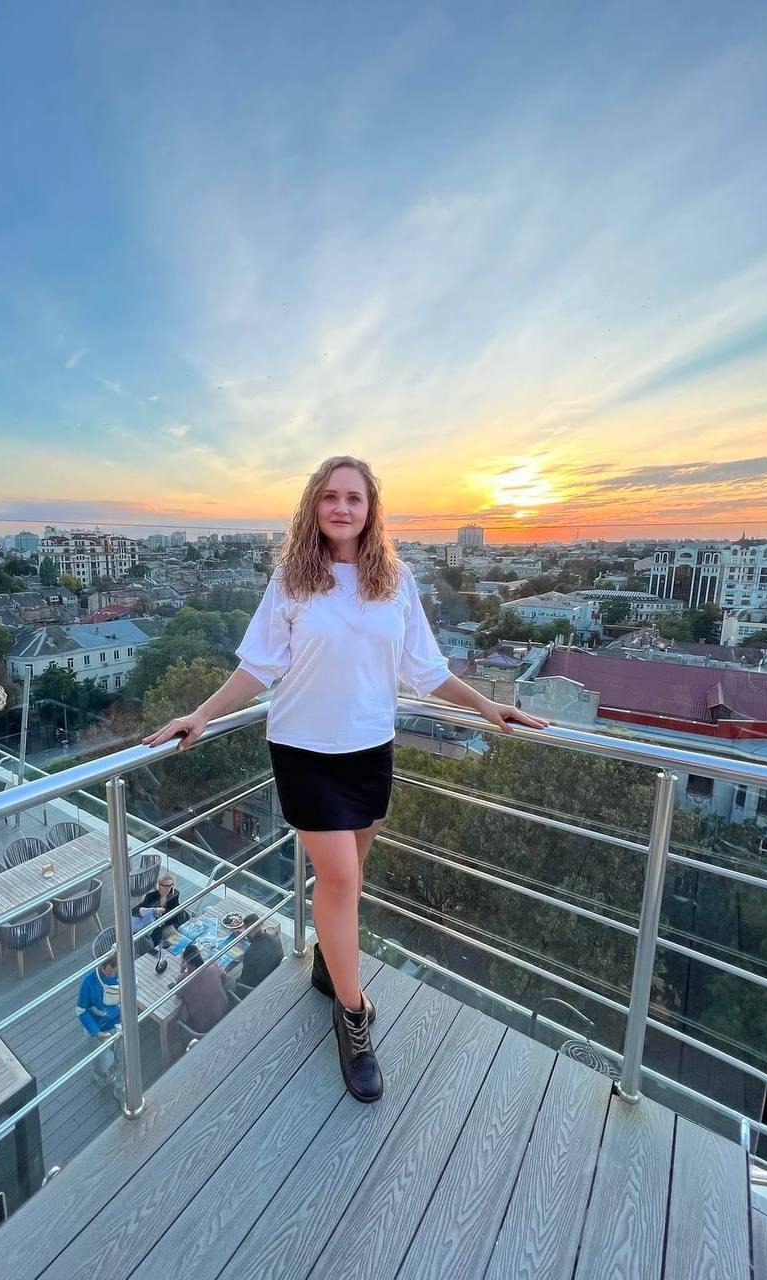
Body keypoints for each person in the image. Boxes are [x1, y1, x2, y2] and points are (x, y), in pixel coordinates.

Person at [144, 455, 548, 1104]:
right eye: (330, 496)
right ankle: (353, 1019)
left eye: (353, 498)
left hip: (370, 751)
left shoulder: (396, 580)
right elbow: (258, 667)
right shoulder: (291, 580)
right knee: (338, 878)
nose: (341, 507)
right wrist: (201, 714)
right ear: (315, 505)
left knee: (348, 878)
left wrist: (484, 707)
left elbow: (425, 668)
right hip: (304, 750)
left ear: (370, 509)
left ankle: (331, 972)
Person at [76, 956, 124, 1101]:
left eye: (116, 968)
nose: (114, 972)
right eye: (111, 968)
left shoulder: (122, 972)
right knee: (102, 1066)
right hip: (97, 1029)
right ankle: (101, 1075)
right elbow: (81, 1010)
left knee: (123, 1060)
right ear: (102, 965)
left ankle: (121, 1091)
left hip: (118, 1024)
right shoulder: (88, 981)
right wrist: (96, 1032)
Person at [176, 943, 230, 1036]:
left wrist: (181, 971)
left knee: (180, 1014)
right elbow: (225, 979)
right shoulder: (213, 966)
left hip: (204, 1029)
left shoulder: (184, 980)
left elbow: (178, 994)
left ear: (186, 963)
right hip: (225, 1014)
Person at [135, 872, 188, 940]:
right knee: (159, 933)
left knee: (171, 932)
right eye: (166, 886)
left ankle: (177, 942)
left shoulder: (174, 894)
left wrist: (163, 910)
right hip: (156, 922)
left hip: (169, 919)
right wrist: (153, 911)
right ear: (160, 885)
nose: (168, 888)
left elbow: (175, 910)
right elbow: (140, 909)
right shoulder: (151, 896)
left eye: (170, 885)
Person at [238, 914, 284, 991]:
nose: (245, 933)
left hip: (260, 987)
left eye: (246, 930)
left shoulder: (250, 953)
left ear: (248, 931)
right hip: (275, 974)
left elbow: (245, 980)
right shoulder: (275, 936)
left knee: (237, 981)